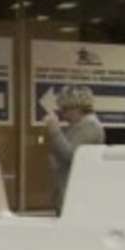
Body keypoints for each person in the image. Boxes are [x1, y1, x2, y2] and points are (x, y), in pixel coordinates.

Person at [44, 85, 105, 213]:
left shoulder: (90, 126)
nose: (61, 112)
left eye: (65, 108)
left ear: (77, 107)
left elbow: (71, 155)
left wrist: (55, 130)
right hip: (67, 193)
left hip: (76, 197)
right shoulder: (76, 126)